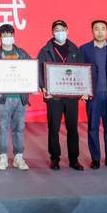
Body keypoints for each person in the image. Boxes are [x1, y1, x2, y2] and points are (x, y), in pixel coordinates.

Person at [38, 20, 85, 171]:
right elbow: (39, 71)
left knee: (72, 128)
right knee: (54, 128)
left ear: (67, 30)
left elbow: (81, 71)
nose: (60, 32)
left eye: (62, 29)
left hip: (71, 96)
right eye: (56, 30)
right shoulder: (45, 50)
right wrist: (43, 87)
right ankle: (55, 158)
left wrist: (83, 90)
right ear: (52, 32)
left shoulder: (74, 49)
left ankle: (74, 159)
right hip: (54, 96)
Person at [0, 24, 31, 171]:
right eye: (4, 35)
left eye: (10, 35)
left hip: (20, 98)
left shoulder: (23, 54)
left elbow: (31, 72)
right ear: (0, 37)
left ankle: (18, 157)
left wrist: (33, 86)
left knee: (19, 128)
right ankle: (3, 157)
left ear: (13, 36)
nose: (7, 37)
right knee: (3, 128)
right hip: (2, 98)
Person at [80, 20, 107, 170]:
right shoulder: (84, 49)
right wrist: (82, 91)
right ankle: (95, 159)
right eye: (96, 29)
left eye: (103, 29)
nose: (100, 32)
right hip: (93, 95)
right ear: (92, 31)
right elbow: (80, 72)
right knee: (93, 126)